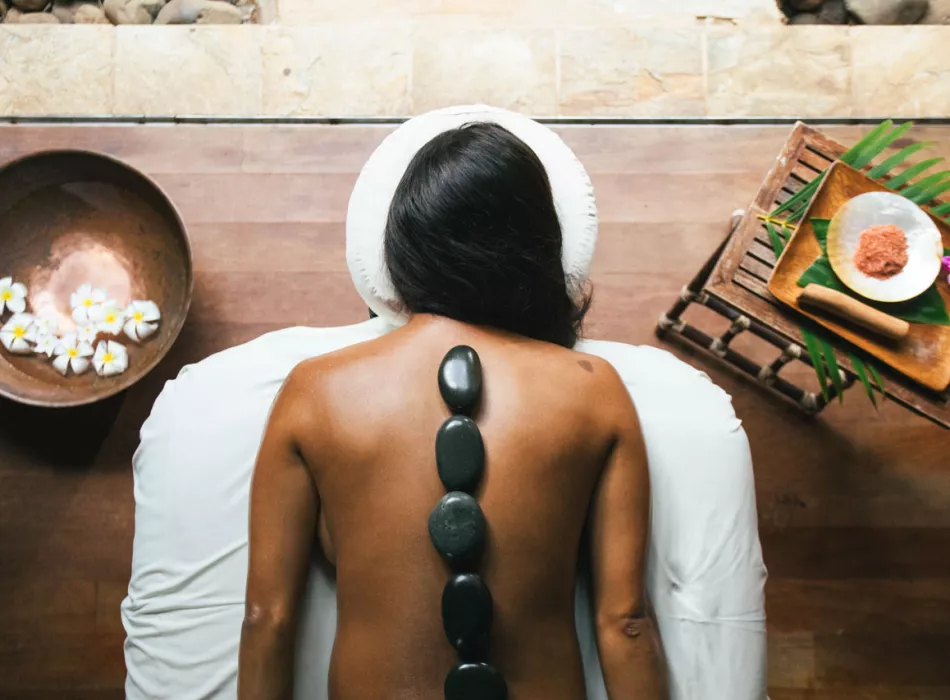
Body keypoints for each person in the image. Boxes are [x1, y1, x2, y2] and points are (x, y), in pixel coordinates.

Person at [237, 123, 667, 700]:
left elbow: (267, 619)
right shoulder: (595, 392)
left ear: (403, 245)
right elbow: (625, 624)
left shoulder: (315, 390)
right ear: (535, 251)